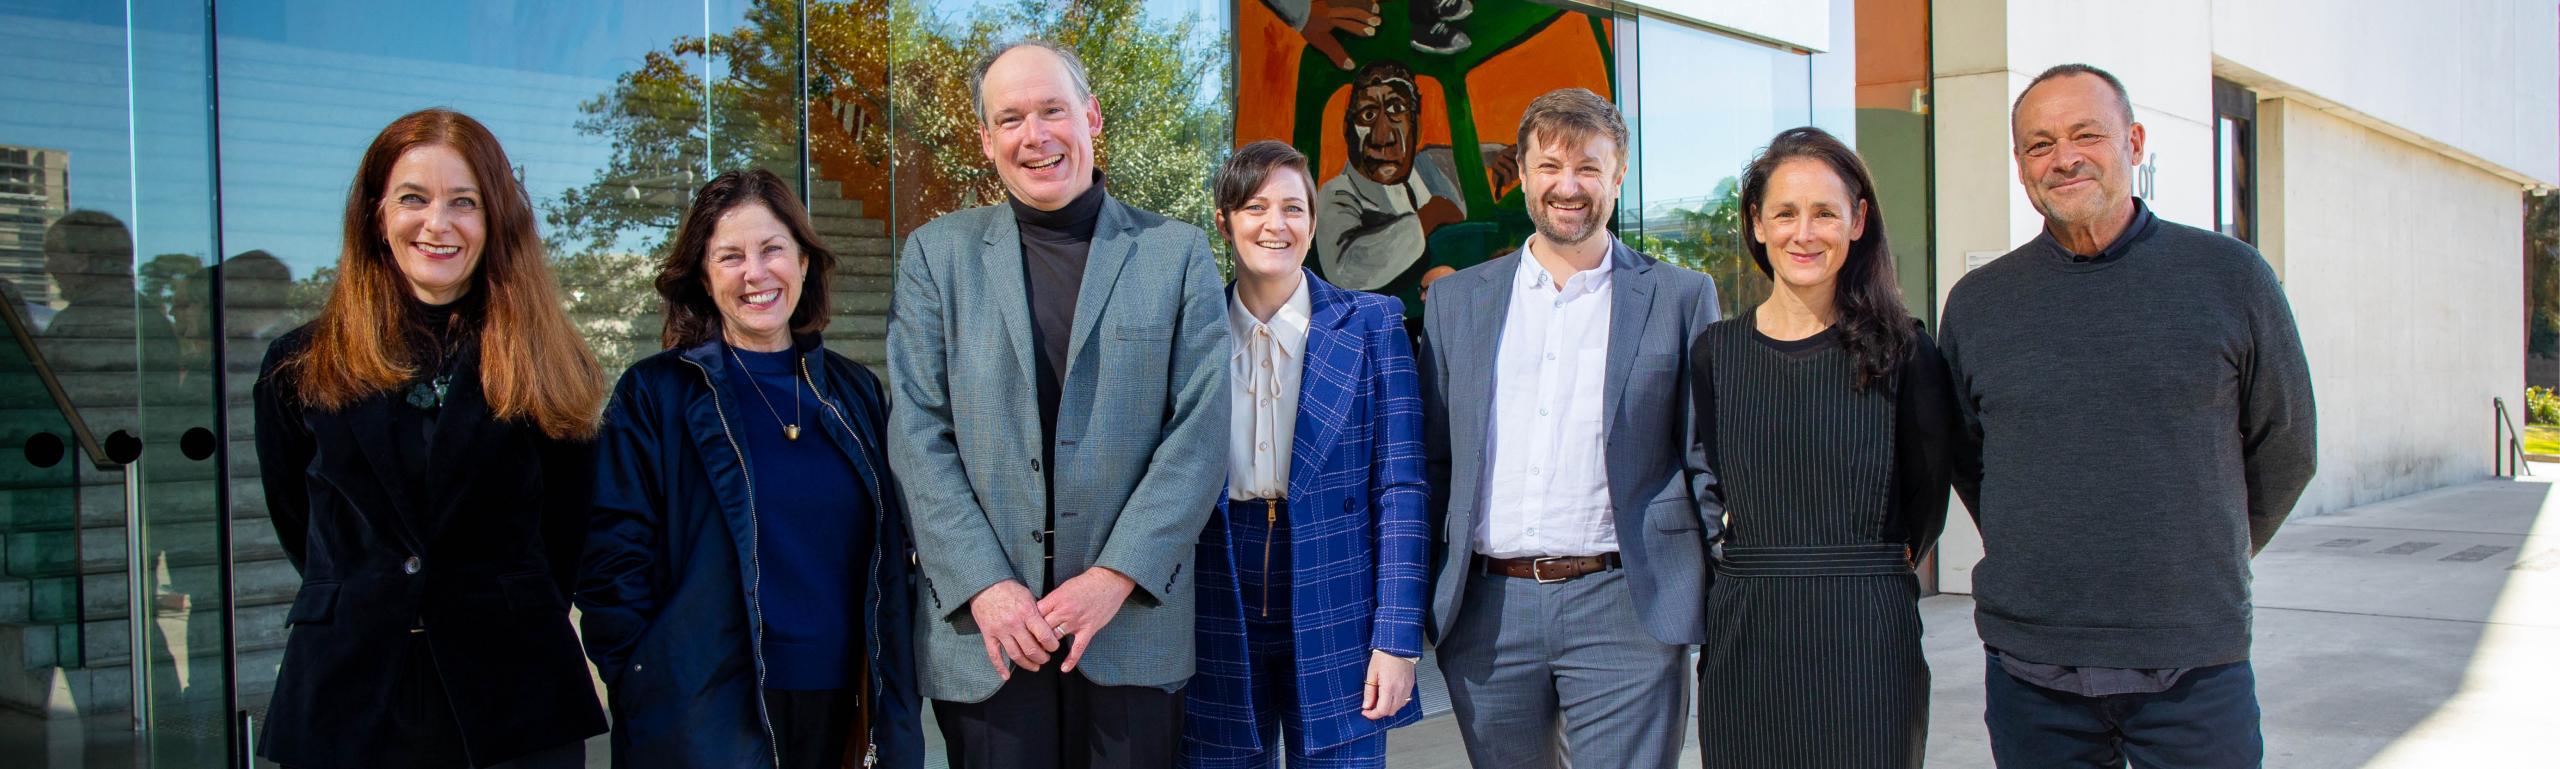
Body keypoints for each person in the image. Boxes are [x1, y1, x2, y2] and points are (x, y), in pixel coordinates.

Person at [1938, 63, 2317, 768]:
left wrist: (2197, 556)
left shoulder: (2230, 278)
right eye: (2040, 143)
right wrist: (2042, 548)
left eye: (2087, 134)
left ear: (2134, 143)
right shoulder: (1979, 304)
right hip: (2032, 667)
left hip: (2192, 662)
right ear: (2020, 164)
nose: (2064, 157)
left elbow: (2286, 445)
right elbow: (1968, 455)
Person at [886, 39, 1228, 769]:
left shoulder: (1176, 252)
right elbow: (918, 433)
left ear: (1092, 116)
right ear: (986, 140)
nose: (1033, 136)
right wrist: (986, 585)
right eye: (1009, 118)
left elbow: (1198, 434)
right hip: (989, 638)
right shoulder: (934, 258)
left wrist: (1113, 578)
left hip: (1131, 626)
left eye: (1052, 110)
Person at [251, 108, 606, 769]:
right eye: (413, 198)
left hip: (512, 692)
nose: (436, 224)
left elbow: (566, 533)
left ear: (495, 218)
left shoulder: (553, 362)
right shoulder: (298, 364)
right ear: (376, 214)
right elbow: (299, 521)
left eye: (463, 202)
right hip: (347, 691)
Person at [577, 169, 922, 769]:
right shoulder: (656, 395)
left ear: (804, 262)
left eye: (772, 250)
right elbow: (610, 559)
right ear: (705, 280)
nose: (755, 274)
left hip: (845, 703)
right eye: (730, 257)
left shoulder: (854, 391)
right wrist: (646, 675)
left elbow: (891, 552)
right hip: (705, 708)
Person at [1417, 87, 1720, 769]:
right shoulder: (1458, 302)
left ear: (1618, 175)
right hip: (1488, 611)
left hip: (1627, 603)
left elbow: (1705, 456)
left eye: (1589, 166)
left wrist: (1726, 593)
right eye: (1550, 166)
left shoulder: (1679, 296)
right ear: (1521, 176)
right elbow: (1433, 466)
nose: (1569, 185)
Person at [1688, 126, 1957, 768]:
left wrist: (1858, 570)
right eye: (1784, 213)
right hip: (1749, 631)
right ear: (1756, 224)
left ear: (1858, 221)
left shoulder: (1906, 351)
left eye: (1825, 213)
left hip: (1868, 630)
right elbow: (1714, 483)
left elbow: (1927, 503)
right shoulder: (1716, 354)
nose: (1803, 233)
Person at [1179, 140, 1428, 769]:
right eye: (1256, 207)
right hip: (1217, 596)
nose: (1276, 225)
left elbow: (1401, 492)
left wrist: (1397, 639)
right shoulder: (1187, 331)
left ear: (1313, 223)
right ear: (1224, 220)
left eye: (1294, 208)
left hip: (1337, 596)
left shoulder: (1372, 326)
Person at [1314, 59, 1470, 293]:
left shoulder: (1426, 165)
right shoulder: (1337, 193)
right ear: (1348, 131)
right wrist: (1429, 216)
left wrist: (1500, 157)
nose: (1382, 137)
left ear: (1416, 125)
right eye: (1367, 115)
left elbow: (1472, 156)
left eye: (1396, 110)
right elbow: (1345, 269)